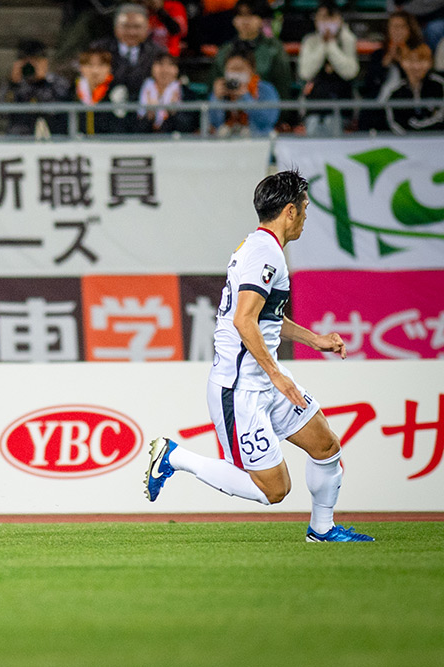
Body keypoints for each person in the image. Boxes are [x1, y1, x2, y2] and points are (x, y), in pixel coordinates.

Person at [144, 170, 374, 544]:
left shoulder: (258, 247)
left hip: (264, 378)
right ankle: (174, 457)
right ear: (290, 211)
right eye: (304, 208)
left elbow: (266, 318)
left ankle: (322, 530)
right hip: (240, 389)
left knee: (325, 446)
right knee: (274, 490)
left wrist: (313, 340)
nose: (305, 216)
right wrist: (278, 376)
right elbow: (244, 320)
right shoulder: (265, 253)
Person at [298, 0, 359, 136]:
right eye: (322, 17)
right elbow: (305, 73)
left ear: (339, 19)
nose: (326, 22)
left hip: (342, 107)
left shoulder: (348, 39)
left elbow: (350, 72)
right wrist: (322, 45)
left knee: (334, 124)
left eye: (330, 17)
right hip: (313, 108)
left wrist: (331, 45)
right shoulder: (310, 41)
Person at [209, 0, 292, 100]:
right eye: (240, 15)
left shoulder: (274, 48)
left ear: (262, 20)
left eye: (251, 15)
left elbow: (283, 86)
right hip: (228, 106)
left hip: (266, 104)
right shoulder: (225, 50)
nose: (245, 21)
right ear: (234, 20)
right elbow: (212, 85)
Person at [359, 11, 423, 131]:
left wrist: (402, 60)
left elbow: (419, 82)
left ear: (410, 29)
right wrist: (386, 61)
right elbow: (368, 84)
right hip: (378, 108)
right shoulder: (379, 55)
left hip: (405, 109)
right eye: (393, 27)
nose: (397, 31)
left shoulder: (418, 53)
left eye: (401, 26)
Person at [91, 4, 167, 99]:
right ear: (116, 28)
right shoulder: (99, 50)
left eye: (137, 27)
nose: (131, 32)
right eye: (126, 26)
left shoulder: (158, 53)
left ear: (147, 28)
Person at [0, 39, 73, 136]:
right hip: (20, 138)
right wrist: (12, 85)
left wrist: (43, 82)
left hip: (52, 137)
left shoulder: (57, 82)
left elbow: (59, 110)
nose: (31, 65)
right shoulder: (14, 84)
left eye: (36, 60)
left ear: (44, 61)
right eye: (26, 61)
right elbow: (3, 113)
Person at [209, 46, 279, 136]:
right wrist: (216, 99)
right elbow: (214, 123)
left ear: (252, 70)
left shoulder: (265, 89)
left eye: (239, 69)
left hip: (257, 138)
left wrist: (246, 97)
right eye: (231, 69)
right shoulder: (222, 89)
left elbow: (267, 121)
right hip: (228, 139)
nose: (235, 74)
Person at [386, 43, 444, 134]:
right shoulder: (396, 91)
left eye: (421, 61)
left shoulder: (440, 85)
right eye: (410, 61)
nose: (416, 66)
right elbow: (394, 122)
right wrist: (411, 137)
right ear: (402, 63)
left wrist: (417, 129)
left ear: (430, 62)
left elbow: (440, 118)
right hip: (406, 141)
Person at [75, 47, 133, 134]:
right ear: (80, 68)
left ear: (110, 68)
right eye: (89, 65)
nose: (95, 71)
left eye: (101, 65)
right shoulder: (73, 91)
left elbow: (122, 125)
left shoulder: (118, 90)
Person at [136, 52, 197, 133]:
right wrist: (150, 115)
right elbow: (134, 129)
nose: (165, 70)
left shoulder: (187, 93)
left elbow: (189, 127)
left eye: (170, 64)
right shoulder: (140, 90)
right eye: (160, 64)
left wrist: (174, 112)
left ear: (177, 69)